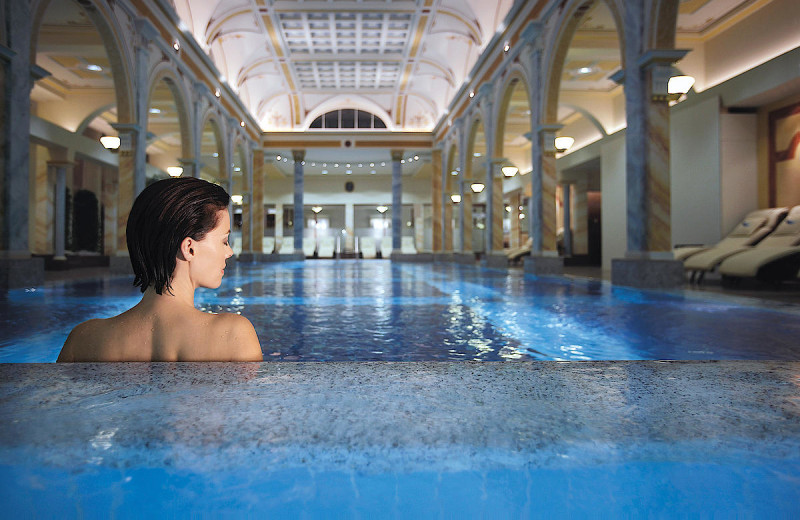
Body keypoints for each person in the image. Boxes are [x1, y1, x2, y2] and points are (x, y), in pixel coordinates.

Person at [57, 177, 263, 362]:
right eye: (224, 241)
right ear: (189, 248)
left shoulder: (83, 339)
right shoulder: (233, 335)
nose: (229, 252)